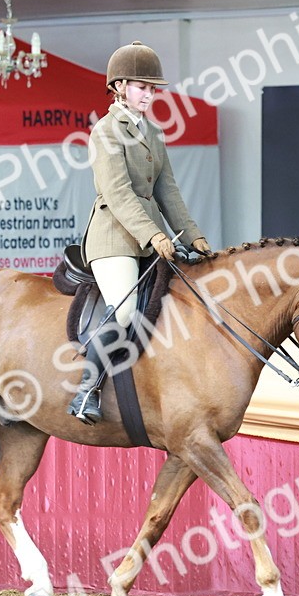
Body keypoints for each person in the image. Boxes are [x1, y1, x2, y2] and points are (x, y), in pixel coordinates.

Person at [68, 41, 212, 425]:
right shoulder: (106, 131)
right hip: (114, 236)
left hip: (151, 238)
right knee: (127, 308)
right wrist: (154, 235)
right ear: (119, 86)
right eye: (141, 86)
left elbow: (168, 191)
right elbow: (117, 193)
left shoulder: (153, 132)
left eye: (152, 88)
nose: (149, 94)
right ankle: (86, 391)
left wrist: (191, 234)